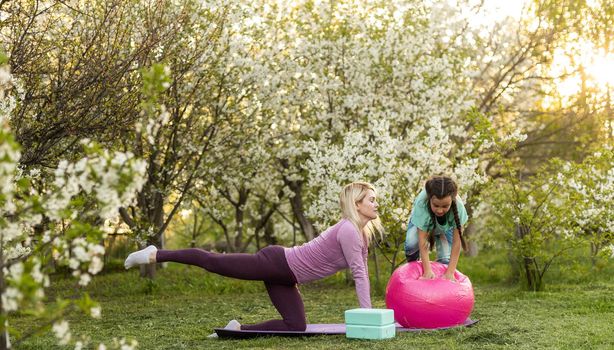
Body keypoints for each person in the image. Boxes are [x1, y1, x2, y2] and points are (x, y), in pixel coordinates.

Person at [124, 182, 381, 333]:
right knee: (214, 262)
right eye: (371, 199)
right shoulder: (348, 229)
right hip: (277, 263)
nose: (376, 204)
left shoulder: (361, 233)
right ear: (356, 204)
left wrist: (368, 314)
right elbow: (359, 272)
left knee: (296, 325)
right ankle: (154, 254)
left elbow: (360, 271)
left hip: (286, 277)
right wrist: (367, 316)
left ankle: (237, 329)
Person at [404, 175, 468, 282]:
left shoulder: (459, 208)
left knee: (445, 260)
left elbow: (457, 243)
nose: (439, 210)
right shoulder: (422, 204)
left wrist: (450, 272)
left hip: (445, 227)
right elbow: (422, 240)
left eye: (445, 206)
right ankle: (415, 268)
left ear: (451, 201)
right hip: (424, 223)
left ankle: (441, 291)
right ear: (430, 199)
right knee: (411, 243)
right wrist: (427, 270)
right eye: (436, 205)